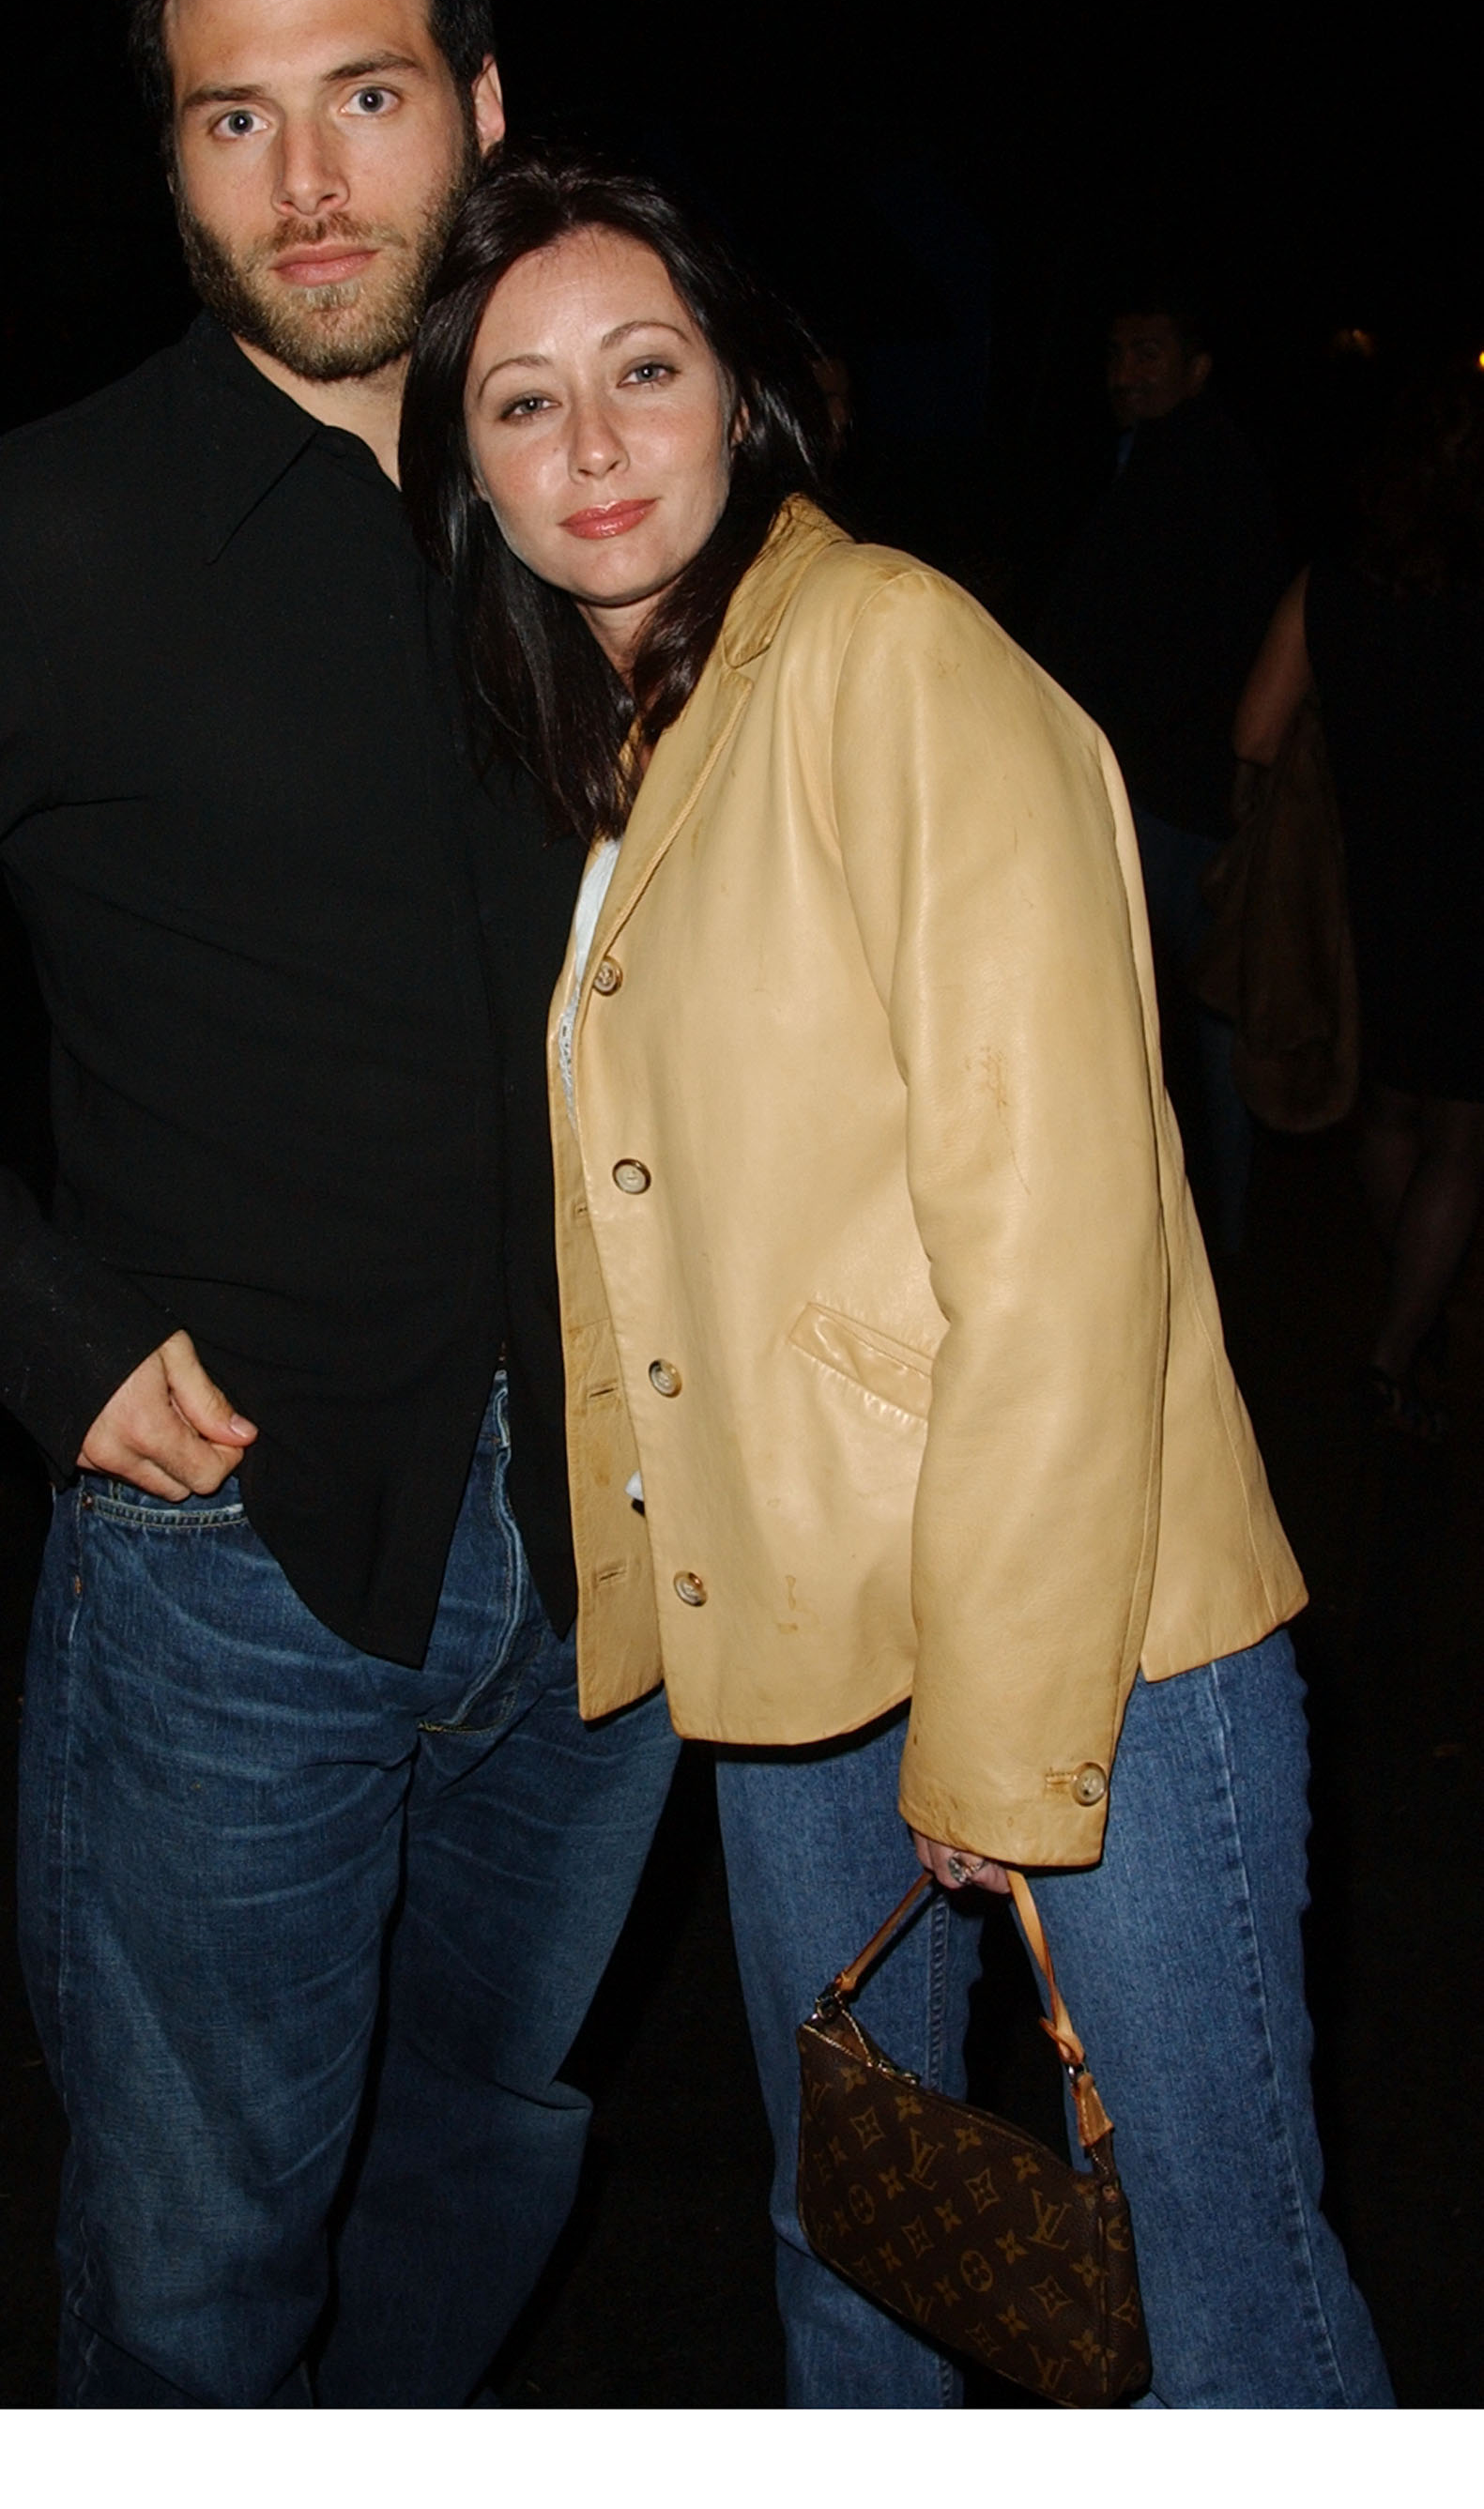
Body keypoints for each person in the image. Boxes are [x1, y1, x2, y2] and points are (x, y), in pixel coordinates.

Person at [0, 0, 677, 2409]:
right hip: (239, 1560)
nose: (307, 176)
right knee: (206, 2245)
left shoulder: (595, 483)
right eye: (233, 118)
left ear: (480, 100)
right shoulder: (41, 544)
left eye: (361, 94)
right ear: (168, 160)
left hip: (619, 1534)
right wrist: (44, 1324)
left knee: (486, 2136)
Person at [400, 155, 1391, 2407]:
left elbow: (1061, 1233)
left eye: (644, 371)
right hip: (801, 1648)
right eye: (522, 402)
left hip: (1082, 1638)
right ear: (464, 465)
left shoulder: (890, 657)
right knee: (860, 2231)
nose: (593, 446)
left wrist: (1000, 1721)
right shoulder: (631, 729)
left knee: (1220, 2291)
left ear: (746, 393)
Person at [1234, 362, 1484, 1442]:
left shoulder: (1327, 584)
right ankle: (1393, 1348)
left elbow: (1252, 734)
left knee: (1386, 1113)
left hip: (1368, 880)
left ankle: (1408, 1313)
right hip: (1474, 888)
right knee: (1464, 1137)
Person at [1031, 297, 1291, 1255]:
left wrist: (1111, 729)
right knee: (1150, 1023)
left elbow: (1206, 641)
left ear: (1197, 366)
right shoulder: (1139, 461)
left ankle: (1196, 1246)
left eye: (1146, 351)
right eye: (1115, 352)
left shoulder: (1206, 471)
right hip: (1145, 785)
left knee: (1177, 1024)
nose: (1124, 371)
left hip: (1170, 798)